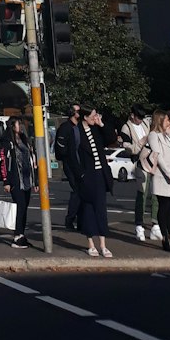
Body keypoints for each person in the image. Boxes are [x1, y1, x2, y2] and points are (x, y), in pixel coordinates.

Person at [64, 104, 114, 258]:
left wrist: (102, 124)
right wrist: (81, 175)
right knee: (88, 210)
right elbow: (72, 157)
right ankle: (91, 244)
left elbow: (111, 139)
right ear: (85, 117)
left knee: (101, 210)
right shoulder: (76, 132)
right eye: (93, 116)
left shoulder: (96, 129)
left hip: (100, 175)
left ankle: (103, 245)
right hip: (87, 177)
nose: (95, 118)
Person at [143, 110, 170, 252]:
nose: (169, 123)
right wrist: (168, 173)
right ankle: (165, 237)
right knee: (164, 207)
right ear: (160, 120)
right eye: (167, 120)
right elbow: (158, 155)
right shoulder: (154, 135)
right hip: (163, 176)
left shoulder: (166, 135)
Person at [118, 104, 159, 242]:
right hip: (140, 163)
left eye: (142, 117)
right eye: (138, 117)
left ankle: (155, 224)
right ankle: (139, 225)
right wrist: (142, 142)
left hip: (152, 161)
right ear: (132, 115)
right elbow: (129, 148)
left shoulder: (146, 123)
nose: (140, 120)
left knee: (155, 194)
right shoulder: (126, 128)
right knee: (142, 194)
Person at [1, 116, 38, 249]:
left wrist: (36, 181)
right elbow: (4, 161)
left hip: (27, 179)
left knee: (24, 207)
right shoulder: (7, 141)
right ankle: (17, 236)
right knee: (20, 206)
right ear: (12, 126)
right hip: (16, 179)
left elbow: (33, 160)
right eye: (18, 124)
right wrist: (6, 181)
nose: (21, 126)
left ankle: (21, 234)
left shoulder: (24, 140)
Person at [54, 105, 82, 232]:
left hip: (81, 164)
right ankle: (70, 218)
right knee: (77, 190)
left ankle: (79, 218)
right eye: (78, 111)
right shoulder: (65, 128)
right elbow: (60, 147)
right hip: (71, 164)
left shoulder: (80, 127)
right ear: (72, 113)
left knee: (82, 191)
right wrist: (67, 156)